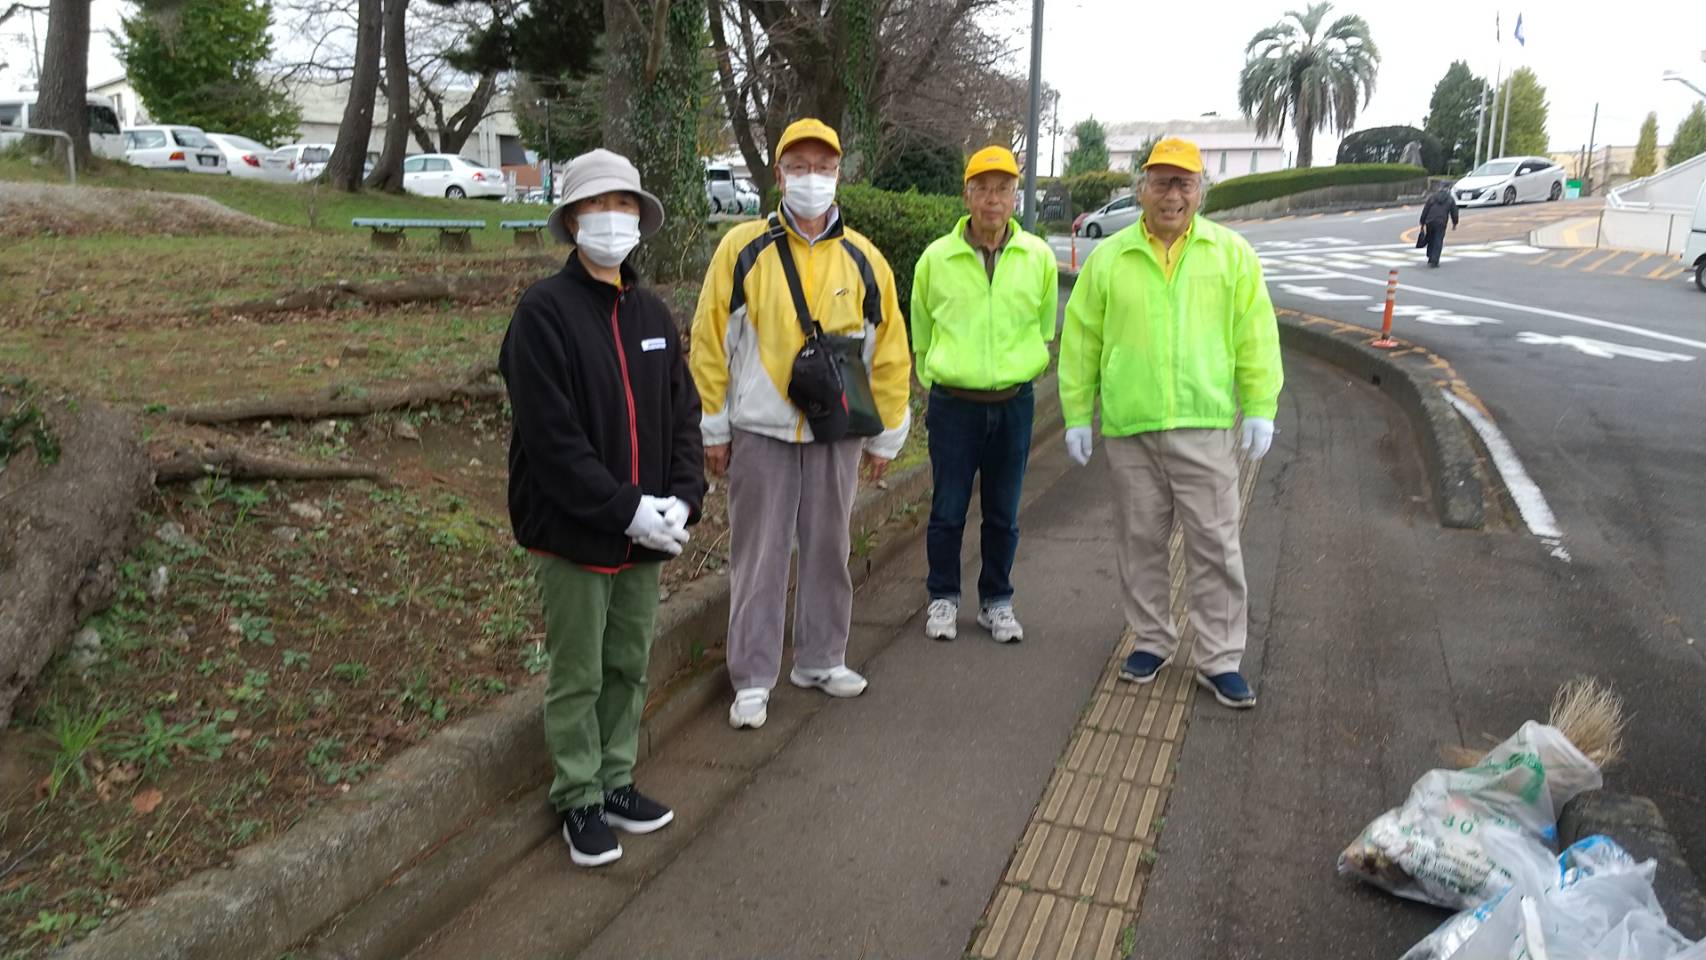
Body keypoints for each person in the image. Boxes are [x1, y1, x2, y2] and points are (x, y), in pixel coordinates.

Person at [499, 148, 705, 867]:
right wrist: (624, 508)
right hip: (573, 532)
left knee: (627, 664)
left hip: (646, 532)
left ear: (640, 220)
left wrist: (684, 499)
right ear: (571, 220)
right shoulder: (543, 313)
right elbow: (552, 441)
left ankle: (616, 780)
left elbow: (683, 415)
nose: (611, 218)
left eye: (623, 205)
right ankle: (578, 796)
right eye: (596, 205)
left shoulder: (652, 313)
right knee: (579, 672)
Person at [689, 118, 912, 730]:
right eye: (799, 167)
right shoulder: (743, 248)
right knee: (757, 555)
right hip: (761, 430)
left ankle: (821, 659)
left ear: (839, 174)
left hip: (836, 433)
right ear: (779, 174)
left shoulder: (864, 258)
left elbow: (889, 351)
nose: (812, 178)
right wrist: (713, 426)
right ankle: (752, 677)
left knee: (829, 547)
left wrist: (887, 434)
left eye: (824, 167)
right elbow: (710, 339)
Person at [1057, 137, 1283, 710]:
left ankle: (1220, 657)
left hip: (1204, 423)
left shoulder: (1230, 254)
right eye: (1161, 182)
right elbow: (1081, 341)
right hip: (1130, 426)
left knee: (1215, 545)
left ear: (1200, 191)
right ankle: (1153, 639)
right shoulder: (1111, 258)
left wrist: (1260, 405)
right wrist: (1077, 414)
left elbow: (1256, 335)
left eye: (1184, 183)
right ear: (1142, 190)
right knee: (1139, 542)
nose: (1172, 194)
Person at [909, 145, 1059, 643]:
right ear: (967, 195)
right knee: (947, 510)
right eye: (983, 189)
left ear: (1016, 196)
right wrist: (936, 375)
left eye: (1004, 189)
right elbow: (921, 329)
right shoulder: (936, 258)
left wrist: (1025, 368)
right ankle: (943, 597)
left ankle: (997, 601)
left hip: (1014, 403)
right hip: (954, 404)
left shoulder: (1037, 256)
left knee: (1003, 512)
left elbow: (1043, 327)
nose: (993, 199)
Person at [1419, 184, 1459, 268]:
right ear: (1448, 189)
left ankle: (1430, 256)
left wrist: (1422, 222)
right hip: (1441, 222)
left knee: (1431, 238)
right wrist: (1455, 223)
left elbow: (1425, 210)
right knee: (1438, 240)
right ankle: (1434, 260)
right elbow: (1454, 212)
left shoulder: (1432, 197)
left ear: (1439, 188)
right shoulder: (1450, 199)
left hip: (1429, 221)